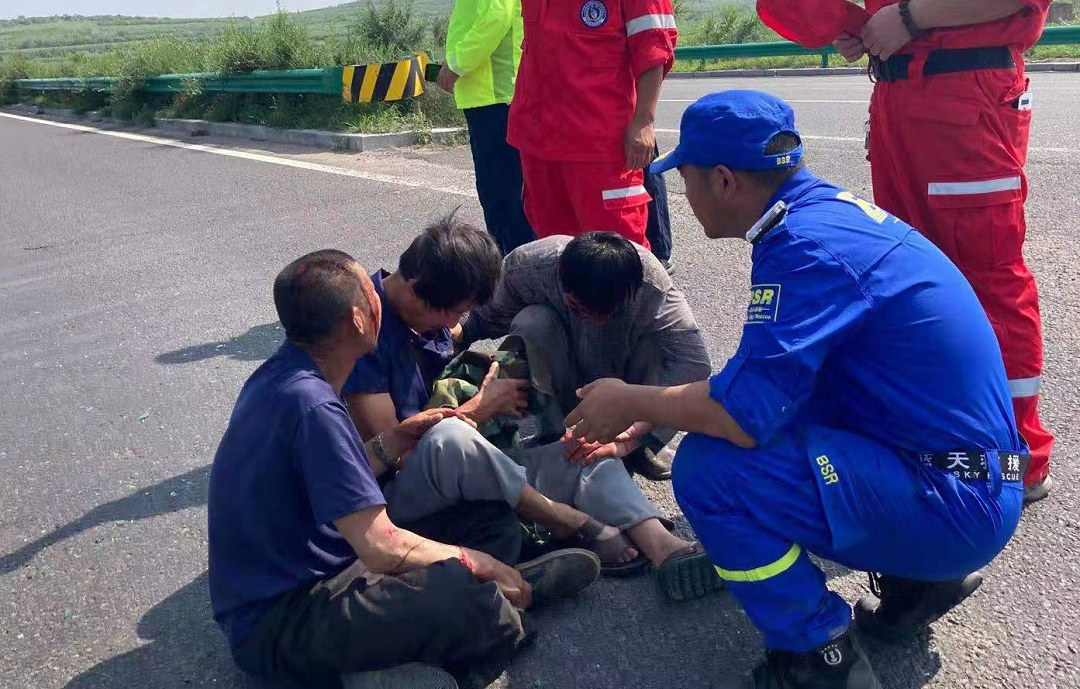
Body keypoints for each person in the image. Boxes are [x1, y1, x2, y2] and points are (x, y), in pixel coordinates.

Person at [565, 92, 1026, 688]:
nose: (684, 192)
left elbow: (739, 417)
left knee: (711, 470)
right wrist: (657, 410)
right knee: (780, 421)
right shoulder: (825, 216)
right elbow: (764, 388)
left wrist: (627, 398)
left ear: (724, 180)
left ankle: (816, 656)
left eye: (686, 177)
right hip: (974, 477)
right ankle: (919, 581)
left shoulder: (805, 252)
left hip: (951, 503)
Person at [207, 250, 600, 687]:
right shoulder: (313, 406)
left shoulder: (285, 377)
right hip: (283, 617)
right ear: (360, 318)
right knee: (461, 595)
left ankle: (482, 604)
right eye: (371, 292)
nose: (382, 295)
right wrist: (478, 563)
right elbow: (381, 547)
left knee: (493, 524)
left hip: (334, 559)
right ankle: (456, 626)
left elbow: (339, 479)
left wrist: (395, 440)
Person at [343, 218, 721, 601]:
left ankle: (662, 547)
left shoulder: (427, 310)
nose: (455, 326)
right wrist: (479, 408)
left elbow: (694, 364)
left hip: (468, 460)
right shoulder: (365, 336)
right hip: (406, 493)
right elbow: (397, 455)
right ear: (415, 290)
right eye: (454, 313)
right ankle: (565, 522)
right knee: (451, 436)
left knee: (580, 451)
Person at [832, 0, 1054, 502]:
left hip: (965, 98)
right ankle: (949, 441)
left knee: (987, 275)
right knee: (913, 283)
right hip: (902, 97)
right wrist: (870, 31)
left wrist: (910, 20)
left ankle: (1018, 455)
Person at [453, 231, 711, 481]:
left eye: (607, 314)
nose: (597, 323)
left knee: (658, 346)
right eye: (580, 309)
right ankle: (551, 436)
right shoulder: (531, 267)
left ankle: (639, 447)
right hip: (567, 372)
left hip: (627, 382)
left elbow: (694, 363)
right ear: (560, 279)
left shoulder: (651, 287)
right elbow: (477, 318)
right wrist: (440, 352)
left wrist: (636, 432)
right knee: (532, 321)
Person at [507, 0, 678, 248]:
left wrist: (644, 120)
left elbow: (653, 46)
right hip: (538, 143)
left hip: (600, 144)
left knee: (615, 251)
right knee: (553, 249)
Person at [436, 0, 535, 255]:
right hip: (489, 100)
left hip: (496, 100)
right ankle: (511, 270)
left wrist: (456, 65)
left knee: (505, 197)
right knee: (498, 195)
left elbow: (495, 20)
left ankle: (516, 274)